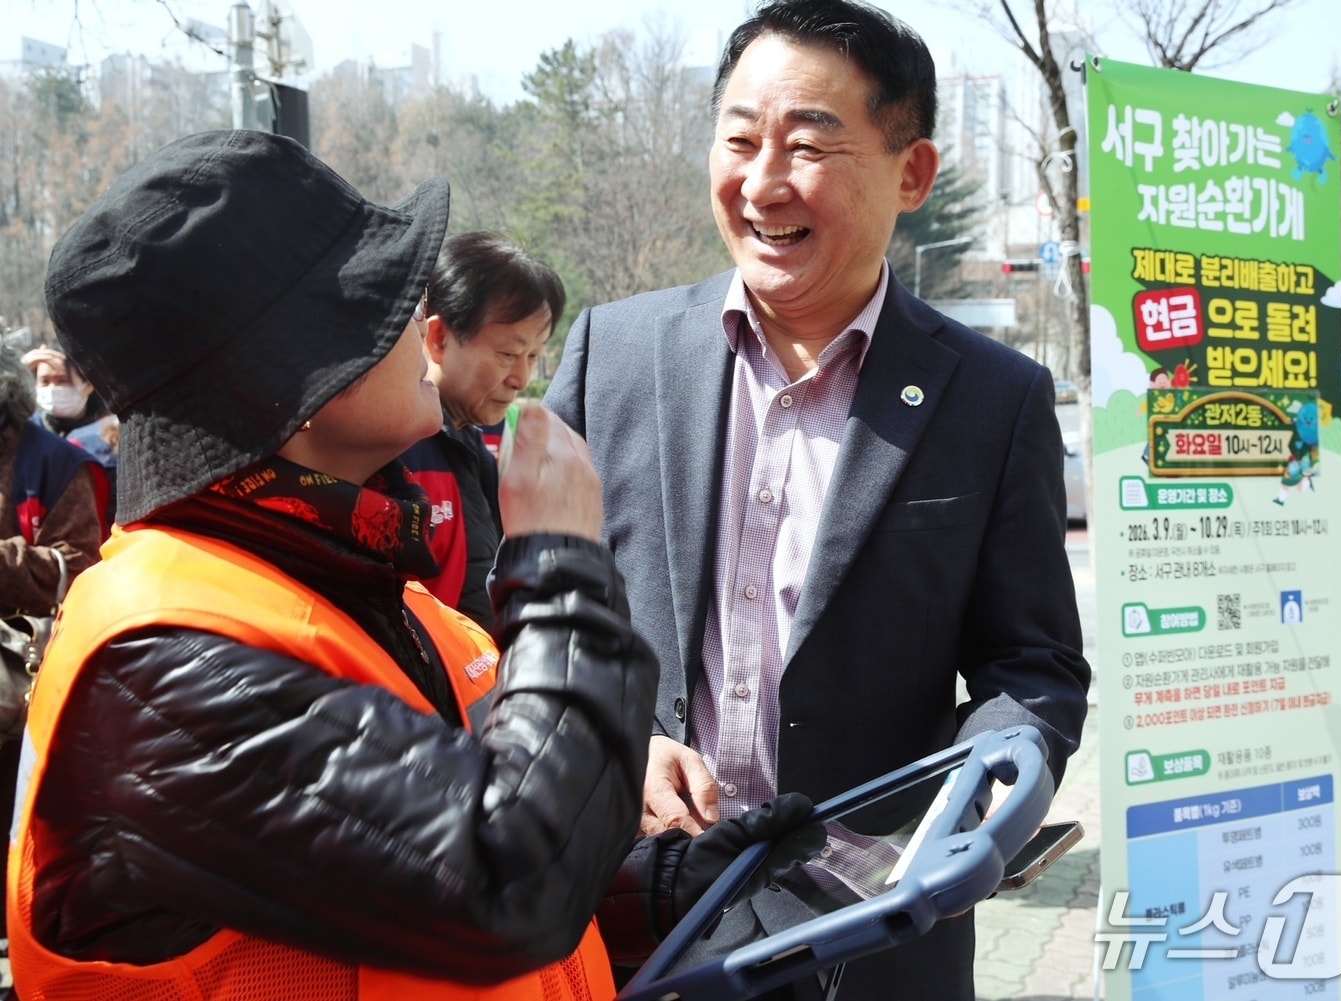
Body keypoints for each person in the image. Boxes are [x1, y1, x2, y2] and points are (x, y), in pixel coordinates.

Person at [10, 129, 810, 1001]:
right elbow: (504, 883)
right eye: (392, 301)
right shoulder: (163, 664)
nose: (426, 330)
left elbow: (401, 888)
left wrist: (656, 887)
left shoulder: (351, 585)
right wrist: (563, 565)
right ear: (303, 376)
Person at [544, 2, 1091, 998]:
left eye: (805, 145)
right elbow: (524, 613)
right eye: (739, 139)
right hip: (628, 920)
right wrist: (615, 738)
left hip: (870, 931)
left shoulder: (993, 397)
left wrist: (971, 807)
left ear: (910, 173)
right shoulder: (611, 354)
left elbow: (1032, 662)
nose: (760, 183)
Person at [0, 339, 104, 993]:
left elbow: (80, 564)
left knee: (23, 847)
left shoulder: (57, 462)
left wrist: (8, 565)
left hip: (24, 696)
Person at [401, 232, 561, 629]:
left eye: (533, 357)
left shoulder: (467, 442)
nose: (521, 378)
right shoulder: (396, 452)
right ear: (438, 338)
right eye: (508, 354)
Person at [20, 346, 116, 532]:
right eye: (45, 381)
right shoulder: (24, 432)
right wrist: (17, 372)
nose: (53, 389)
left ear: (88, 385)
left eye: (62, 381)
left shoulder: (111, 434)